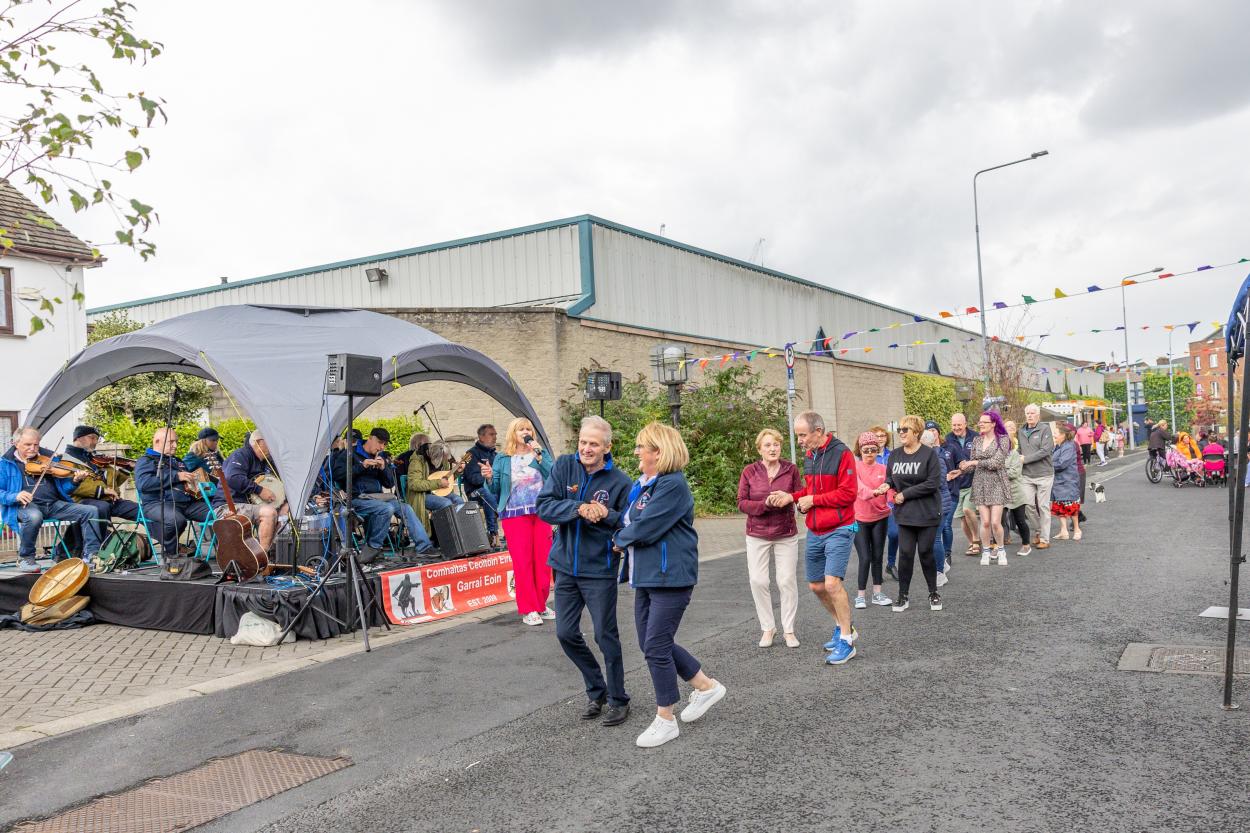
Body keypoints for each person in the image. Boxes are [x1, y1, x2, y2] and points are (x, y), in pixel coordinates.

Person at [614, 421, 726, 749]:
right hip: (647, 575)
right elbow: (627, 520)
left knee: (656, 645)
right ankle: (706, 687)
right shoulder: (647, 485)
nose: (635, 452)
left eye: (640, 446)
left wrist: (619, 538)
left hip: (671, 576)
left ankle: (666, 718)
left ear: (658, 452)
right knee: (652, 644)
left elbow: (646, 527)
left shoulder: (672, 486)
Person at [536, 416, 633, 727]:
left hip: (600, 569)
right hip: (565, 567)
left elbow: (627, 522)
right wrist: (577, 508)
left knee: (606, 636)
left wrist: (604, 513)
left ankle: (619, 699)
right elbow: (544, 506)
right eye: (583, 442)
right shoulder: (564, 466)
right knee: (565, 633)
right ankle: (597, 689)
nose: (586, 449)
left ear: (607, 447)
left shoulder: (621, 481)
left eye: (593, 444)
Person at [769, 411, 858, 665]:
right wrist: (794, 498)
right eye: (798, 435)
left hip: (840, 527)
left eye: (802, 435)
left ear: (818, 432)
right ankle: (844, 626)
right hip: (815, 530)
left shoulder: (842, 454)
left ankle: (847, 642)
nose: (799, 441)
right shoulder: (811, 455)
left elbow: (848, 494)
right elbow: (811, 489)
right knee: (816, 586)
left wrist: (814, 500)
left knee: (832, 584)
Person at [484, 417, 554, 625]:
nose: (525, 432)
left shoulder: (540, 454)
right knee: (523, 562)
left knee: (543, 561)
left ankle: (540, 605)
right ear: (513, 434)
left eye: (528, 429)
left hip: (540, 512)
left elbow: (554, 475)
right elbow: (495, 489)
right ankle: (528, 608)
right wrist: (488, 478)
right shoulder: (503, 459)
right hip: (514, 515)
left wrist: (541, 455)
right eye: (521, 429)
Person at [1, 426, 100, 572]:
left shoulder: (48, 460)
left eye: (36, 444)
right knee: (34, 516)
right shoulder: (5, 464)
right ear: (15, 444)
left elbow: (64, 489)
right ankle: (26, 558)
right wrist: (15, 496)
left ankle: (91, 556)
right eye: (28, 445)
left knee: (91, 511)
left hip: (53, 505)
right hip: (24, 507)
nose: (33, 449)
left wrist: (75, 481)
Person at [737, 428, 803, 647]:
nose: (772, 449)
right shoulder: (749, 471)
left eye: (775, 444)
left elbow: (799, 494)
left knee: (786, 580)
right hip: (757, 533)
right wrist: (763, 505)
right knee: (758, 581)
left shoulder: (791, 469)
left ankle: (789, 630)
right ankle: (768, 628)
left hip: (785, 532)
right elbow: (741, 502)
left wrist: (793, 500)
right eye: (767, 445)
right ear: (759, 449)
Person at [333, 426, 435, 562]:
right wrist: (361, 466)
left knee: (405, 508)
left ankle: (424, 547)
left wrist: (383, 469)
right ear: (370, 438)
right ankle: (373, 547)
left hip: (378, 498)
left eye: (385, 444)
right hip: (357, 499)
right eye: (380, 443)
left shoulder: (379, 456)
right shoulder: (348, 454)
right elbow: (337, 475)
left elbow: (389, 484)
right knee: (387, 509)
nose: (382, 447)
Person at [875, 415, 943, 612]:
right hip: (905, 514)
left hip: (927, 513)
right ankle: (903, 596)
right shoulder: (895, 456)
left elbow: (932, 483)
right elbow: (891, 478)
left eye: (906, 430)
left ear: (916, 433)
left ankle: (933, 592)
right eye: (900, 430)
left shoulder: (928, 455)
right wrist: (885, 485)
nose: (902, 433)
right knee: (904, 554)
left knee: (925, 552)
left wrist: (905, 494)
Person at [133, 427, 212, 558]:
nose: (175, 445)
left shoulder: (178, 461)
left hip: (187, 503)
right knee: (176, 520)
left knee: (219, 511)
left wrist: (199, 485)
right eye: (171, 442)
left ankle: (224, 550)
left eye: (176, 441)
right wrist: (176, 477)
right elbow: (144, 484)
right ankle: (171, 555)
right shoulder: (145, 460)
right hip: (157, 503)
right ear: (158, 441)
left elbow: (187, 484)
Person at [63, 425, 139, 527]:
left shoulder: (96, 459)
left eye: (97, 439)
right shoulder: (65, 460)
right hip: (82, 502)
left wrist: (128, 468)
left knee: (140, 510)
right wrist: (103, 491)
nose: (95, 442)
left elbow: (113, 482)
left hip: (109, 500)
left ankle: (163, 539)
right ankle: (105, 540)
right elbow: (71, 486)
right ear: (78, 438)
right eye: (92, 437)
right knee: (101, 508)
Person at [962, 411, 1011, 567]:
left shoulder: (1003, 440)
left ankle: (1001, 550)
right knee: (985, 522)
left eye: (984, 422)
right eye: (980, 421)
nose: (980, 424)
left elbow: (996, 463)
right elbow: (971, 464)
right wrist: (962, 468)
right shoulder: (976, 440)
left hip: (997, 482)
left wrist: (974, 463)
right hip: (980, 483)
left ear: (993, 424)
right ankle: (986, 551)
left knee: (996, 522)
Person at [221, 430, 281, 551]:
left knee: (284, 515)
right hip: (230, 505)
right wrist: (259, 490)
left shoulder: (266, 461)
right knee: (269, 513)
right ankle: (262, 558)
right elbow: (232, 477)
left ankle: (273, 553)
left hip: (251, 506)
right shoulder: (241, 455)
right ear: (259, 442)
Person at [851, 431, 893, 609]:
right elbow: (859, 490)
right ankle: (860, 595)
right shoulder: (854, 468)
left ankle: (877, 593)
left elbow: (891, 490)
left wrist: (892, 496)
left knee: (877, 556)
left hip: (880, 517)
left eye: (873, 449)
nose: (869, 453)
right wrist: (876, 492)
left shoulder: (884, 469)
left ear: (878, 450)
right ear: (859, 450)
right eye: (866, 449)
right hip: (859, 518)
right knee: (865, 557)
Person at [402, 433, 464, 538]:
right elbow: (414, 484)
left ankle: (461, 532)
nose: (445, 461)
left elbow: (446, 478)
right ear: (435, 456)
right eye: (443, 459)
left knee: (458, 500)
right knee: (446, 503)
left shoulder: (443, 459)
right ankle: (446, 536)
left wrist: (457, 472)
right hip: (421, 496)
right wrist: (438, 483)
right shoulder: (417, 460)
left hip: (438, 492)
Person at [1019, 404, 1055, 551]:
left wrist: (1025, 459)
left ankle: (1045, 539)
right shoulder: (1021, 431)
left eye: (1032, 413)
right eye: (1027, 413)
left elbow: (1045, 450)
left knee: (1043, 506)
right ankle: (1039, 530)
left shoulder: (1045, 429)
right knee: (1027, 505)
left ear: (1038, 415)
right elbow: (1020, 450)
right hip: (1027, 475)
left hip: (1044, 474)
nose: (1029, 415)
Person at [920, 425, 953, 586]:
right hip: (931, 505)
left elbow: (938, 482)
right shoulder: (928, 456)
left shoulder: (936, 458)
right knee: (931, 539)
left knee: (935, 540)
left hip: (940, 505)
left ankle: (940, 572)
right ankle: (943, 565)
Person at [461, 424, 499, 546]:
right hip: (474, 492)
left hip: (493, 490)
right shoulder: (469, 454)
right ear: (481, 437)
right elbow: (473, 479)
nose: (495, 437)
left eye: (495, 434)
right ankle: (493, 533)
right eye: (491, 434)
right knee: (487, 493)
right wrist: (487, 476)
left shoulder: (495, 455)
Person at [946, 413, 978, 555]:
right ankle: (971, 542)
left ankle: (977, 540)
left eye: (959, 424)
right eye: (954, 425)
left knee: (968, 510)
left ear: (965, 424)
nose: (957, 427)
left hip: (973, 481)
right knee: (962, 517)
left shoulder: (976, 436)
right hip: (956, 484)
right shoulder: (948, 439)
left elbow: (979, 457)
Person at [871, 425, 899, 581]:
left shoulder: (894, 455)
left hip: (891, 502)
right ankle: (877, 568)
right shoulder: (866, 456)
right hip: (873, 503)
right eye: (877, 436)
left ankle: (891, 563)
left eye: (882, 436)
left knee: (894, 534)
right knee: (877, 539)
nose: (880, 438)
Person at [1002, 420, 1032, 556]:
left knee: (1020, 520)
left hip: (1015, 492)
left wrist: (999, 472)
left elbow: (1014, 473)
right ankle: (997, 545)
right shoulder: (996, 455)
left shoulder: (1014, 454)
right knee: (998, 520)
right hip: (1001, 492)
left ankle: (1026, 544)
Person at [1050, 423, 1081, 541]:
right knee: (1059, 506)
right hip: (1058, 480)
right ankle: (1064, 531)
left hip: (1068, 480)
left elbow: (1063, 463)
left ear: (1063, 435)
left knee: (1071, 506)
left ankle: (1077, 529)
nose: (1054, 435)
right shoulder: (1058, 446)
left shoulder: (1069, 446)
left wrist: (1048, 467)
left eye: (1056, 433)